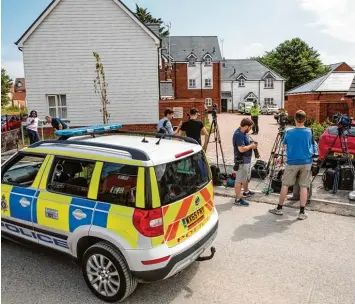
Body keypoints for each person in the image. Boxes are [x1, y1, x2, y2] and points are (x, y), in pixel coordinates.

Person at [269, 110, 318, 220]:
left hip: (292, 162)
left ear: (295, 119)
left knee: (285, 185)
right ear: (305, 119)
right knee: (304, 186)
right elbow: (313, 145)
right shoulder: (310, 131)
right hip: (306, 162)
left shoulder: (289, 132)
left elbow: (284, 143)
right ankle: (301, 212)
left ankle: (279, 208)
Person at [233, 118, 258, 206]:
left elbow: (246, 144)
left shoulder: (244, 133)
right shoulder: (238, 134)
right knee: (239, 180)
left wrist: (251, 143)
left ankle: (246, 192)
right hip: (241, 161)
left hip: (246, 159)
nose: (250, 129)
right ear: (246, 126)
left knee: (245, 177)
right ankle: (238, 199)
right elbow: (241, 149)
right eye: (250, 128)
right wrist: (251, 146)